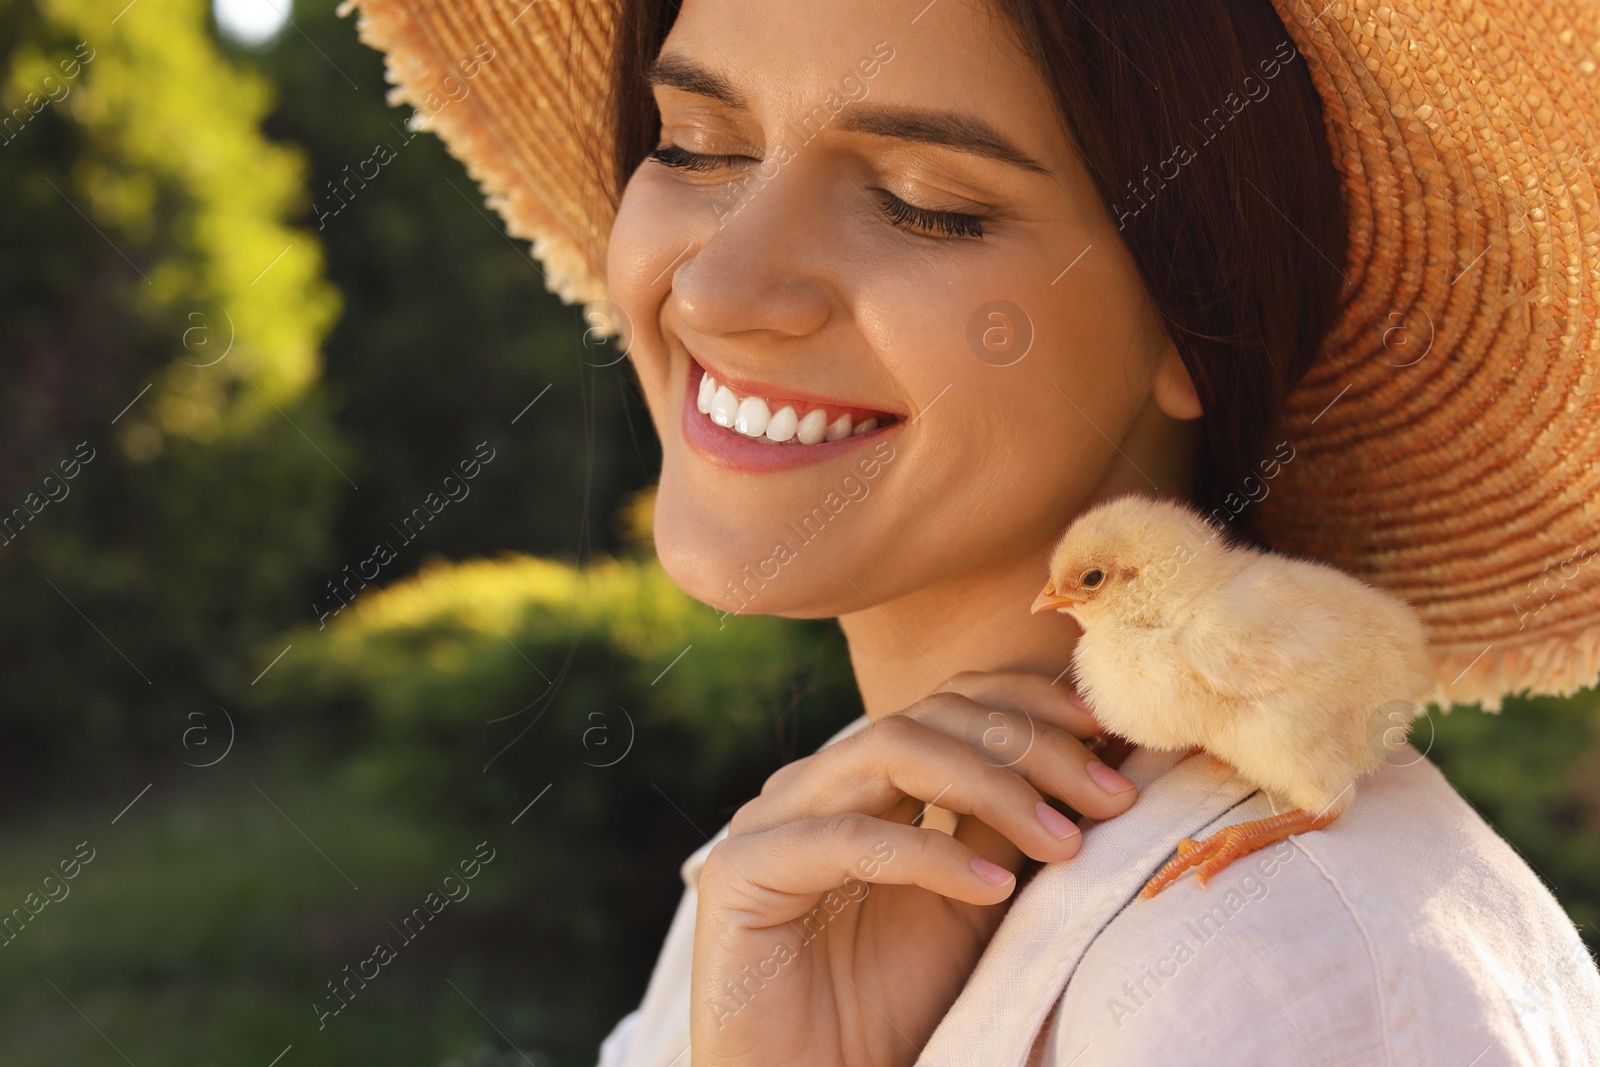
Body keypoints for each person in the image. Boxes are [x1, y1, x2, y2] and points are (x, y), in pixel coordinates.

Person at [340, 0, 1600, 1061]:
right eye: (692, 145)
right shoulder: (792, 878)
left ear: (1191, 313)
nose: (719, 286)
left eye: (923, 202)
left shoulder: (1296, 976)